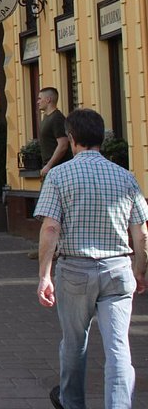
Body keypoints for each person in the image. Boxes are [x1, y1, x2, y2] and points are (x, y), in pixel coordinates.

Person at [35, 108, 148, 409]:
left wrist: (44, 275)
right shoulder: (126, 177)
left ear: (72, 139)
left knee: (74, 344)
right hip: (118, 269)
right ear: (102, 139)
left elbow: (50, 227)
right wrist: (139, 272)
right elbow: (142, 235)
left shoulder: (59, 175)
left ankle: (72, 403)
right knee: (118, 346)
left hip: (74, 270)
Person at [38, 87, 71, 177]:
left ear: (48, 99)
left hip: (58, 171)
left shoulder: (57, 118)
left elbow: (63, 145)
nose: (38, 102)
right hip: (49, 170)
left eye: (40, 98)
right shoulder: (46, 117)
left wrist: (49, 166)